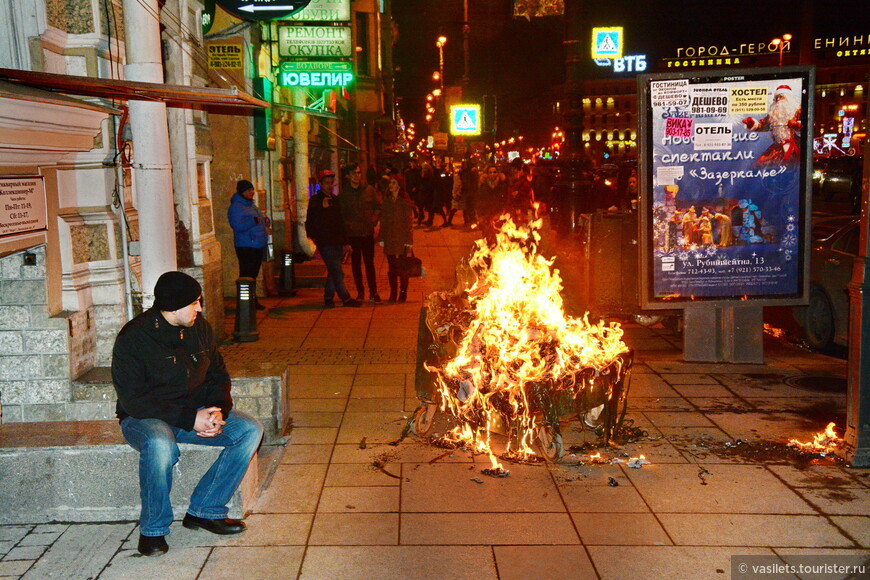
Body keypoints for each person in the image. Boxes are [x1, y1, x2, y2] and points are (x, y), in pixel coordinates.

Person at [111, 271, 264, 557]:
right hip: (144, 418)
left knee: (249, 430)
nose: (199, 308)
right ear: (174, 305)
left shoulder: (199, 328)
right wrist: (190, 419)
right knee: (159, 445)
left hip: (191, 412)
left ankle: (206, 510)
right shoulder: (135, 337)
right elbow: (134, 400)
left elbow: (218, 374)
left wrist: (217, 411)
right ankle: (152, 530)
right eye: (194, 302)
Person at [305, 170, 362, 308]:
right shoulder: (315, 201)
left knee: (333, 270)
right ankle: (345, 297)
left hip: (337, 241)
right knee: (337, 271)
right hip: (325, 242)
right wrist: (321, 208)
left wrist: (346, 242)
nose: (329, 186)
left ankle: (328, 297)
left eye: (331, 183)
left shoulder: (335, 200)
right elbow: (311, 221)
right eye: (326, 183)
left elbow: (340, 222)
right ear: (321, 184)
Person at [341, 163, 382, 302]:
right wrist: (345, 237)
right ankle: (360, 292)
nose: (357, 176)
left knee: (369, 264)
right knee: (356, 265)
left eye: (358, 173)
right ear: (348, 176)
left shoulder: (369, 190)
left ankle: (373, 292)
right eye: (354, 173)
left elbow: (377, 207)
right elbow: (342, 216)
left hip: (367, 233)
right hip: (353, 235)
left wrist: (373, 220)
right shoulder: (344, 194)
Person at [227, 180, 270, 310]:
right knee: (247, 274)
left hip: (256, 244)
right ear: (242, 192)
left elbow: (258, 219)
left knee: (253, 274)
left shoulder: (251, 205)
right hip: (246, 245)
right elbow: (237, 226)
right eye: (248, 190)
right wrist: (253, 221)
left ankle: (251, 300)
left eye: (252, 189)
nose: (251, 192)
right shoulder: (236, 207)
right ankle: (246, 303)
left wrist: (265, 220)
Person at [379, 175, 415, 303]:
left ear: (399, 185)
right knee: (392, 268)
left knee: (403, 268)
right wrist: (381, 237)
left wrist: (409, 241)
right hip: (389, 237)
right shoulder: (386, 200)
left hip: (401, 238)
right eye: (390, 183)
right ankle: (393, 293)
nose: (391, 185)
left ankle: (403, 293)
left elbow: (408, 222)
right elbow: (383, 219)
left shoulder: (404, 200)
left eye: (393, 183)